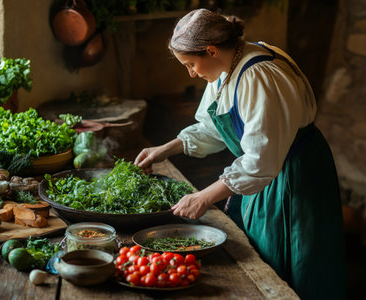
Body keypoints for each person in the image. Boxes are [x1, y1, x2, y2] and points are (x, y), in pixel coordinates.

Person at [134, 8, 346, 300]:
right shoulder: (226, 68)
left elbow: (260, 161)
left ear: (210, 50)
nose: (191, 73)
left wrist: (203, 197)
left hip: (293, 173)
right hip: (270, 170)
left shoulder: (258, 76)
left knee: (298, 259)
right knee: (268, 249)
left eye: (191, 64)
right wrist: (166, 148)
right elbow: (214, 128)